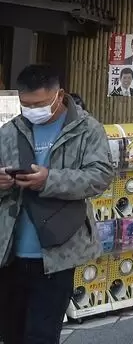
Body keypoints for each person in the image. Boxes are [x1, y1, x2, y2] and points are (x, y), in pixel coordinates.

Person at [0, 65, 114, 344]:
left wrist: (49, 180)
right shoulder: (9, 131)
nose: (31, 111)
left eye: (39, 104)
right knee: (10, 332)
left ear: (59, 95)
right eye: (25, 105)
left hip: (58, 252)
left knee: (41, 335)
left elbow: (100, 176)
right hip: (9, 252)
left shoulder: (87, 129)